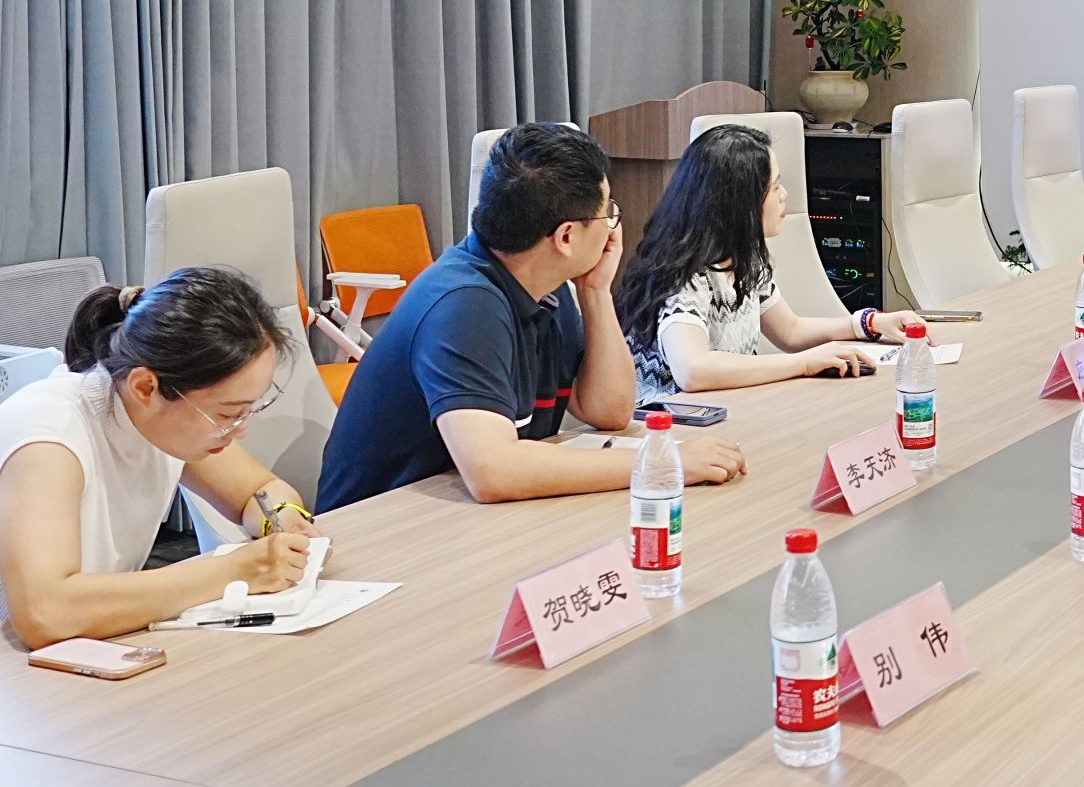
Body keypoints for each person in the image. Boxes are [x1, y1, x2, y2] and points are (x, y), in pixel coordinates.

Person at [319, 123, 745, 510]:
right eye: (608, 211)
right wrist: (662, 462)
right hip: (384, 530)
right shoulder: (464, 304)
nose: (614, 225)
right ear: (566, 236)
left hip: (464, 518)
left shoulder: (544, 280)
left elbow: (608, 410)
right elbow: (494, 471)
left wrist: (595, 292)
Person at [0, 269, 320, 648]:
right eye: (226, 414)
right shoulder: (50, 433)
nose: (239, 430)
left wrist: (282, 519)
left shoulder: (157, 417)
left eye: (247, 411)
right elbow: (44, 613)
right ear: (145, 387)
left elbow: (259, 491)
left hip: (94, 643)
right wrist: (232, 572)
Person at [619, 125, 924, 396]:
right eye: (775, 187)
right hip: (669, 426)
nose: (784, 195)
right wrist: (803, 363)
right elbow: (692, 370)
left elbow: (790, 331)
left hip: (728, 411)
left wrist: (869, 323)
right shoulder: (686, 275)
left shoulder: (745, 258)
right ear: (740, 202)